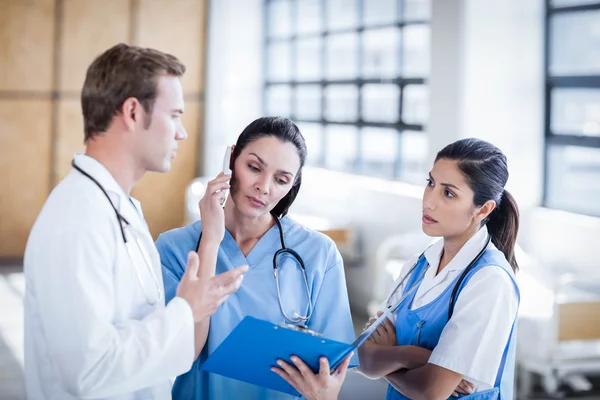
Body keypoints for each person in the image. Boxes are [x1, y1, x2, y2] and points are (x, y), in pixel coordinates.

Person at [23, 43, 247, 400]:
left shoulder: (119, 207)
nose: (182, 132)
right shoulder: (78, 219)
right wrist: (186, 310)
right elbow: (87, 370)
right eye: (174, 115)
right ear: (131, 111)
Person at [281, 138, 520, 400]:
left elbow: (431, 392)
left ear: (483, 209)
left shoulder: (489, 281)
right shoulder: (417, 265)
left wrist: (392, 355)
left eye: (448, 193)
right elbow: (365, 358)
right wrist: (414, 356)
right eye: (430, 183)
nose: (429, 201)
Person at [156, 116, 355, 399]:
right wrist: (211, 241)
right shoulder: (174, 249)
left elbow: (330, 373)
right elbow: (185, 352)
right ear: (231, 160)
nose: (264, 186)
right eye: (253, 167)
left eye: (281, 179)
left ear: (292, 186)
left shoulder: (318, 254)